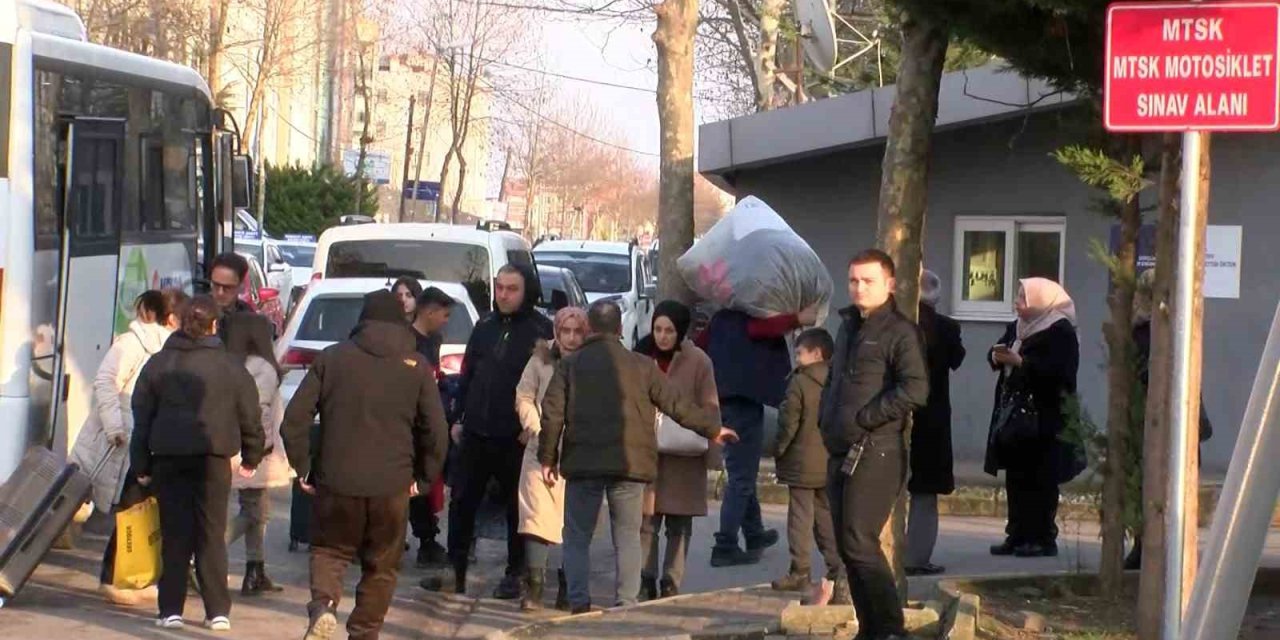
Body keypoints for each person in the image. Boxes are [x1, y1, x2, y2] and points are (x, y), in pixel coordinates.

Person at [539, 300, 738, 614]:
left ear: (589, 329)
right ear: (620, 330)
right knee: (628, 535)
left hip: (583, 464)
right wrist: (713, 429)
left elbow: (551, 415)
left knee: (577, 536)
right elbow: (676, 405)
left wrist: (547, 458)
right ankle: (626, 603)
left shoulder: (570, 365)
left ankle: (578, 602)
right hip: (630, 464)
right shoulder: (643, 366)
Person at [281, 289, 448, 640]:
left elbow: (294, 420)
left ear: (362, 320)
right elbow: (436, 430)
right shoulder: (416, 367)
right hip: (392, 486)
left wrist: (305, 467)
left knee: (330, 552)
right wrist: (424, 478)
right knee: (381, 566)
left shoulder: (332, 359)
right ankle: (364, 632)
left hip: (336, 480)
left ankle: (324, 607)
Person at [130, 295, 265, 631]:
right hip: (213, 459)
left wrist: (141, 464)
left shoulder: (159, 364)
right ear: (214, 326)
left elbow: (142, 417)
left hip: (167, 458)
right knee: (211, 532)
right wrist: (251, 456)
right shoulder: (231, 366)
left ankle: (170, 610)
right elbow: (250, 414)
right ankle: (217, 610)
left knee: (175, 534)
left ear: (179, 323)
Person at [819, 250, 928, 640]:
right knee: (847, 548)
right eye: (853, 281)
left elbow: (916, 389)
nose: (859, 288)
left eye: (868, 281)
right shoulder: (849, 326)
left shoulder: (900, 331)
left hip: (878, 449)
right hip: (838, 450)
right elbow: (834, 380)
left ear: (889, 284)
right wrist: (824, 418)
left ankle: (891, 630)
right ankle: (871, 629)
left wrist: (868, 417)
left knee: (861, 542)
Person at [71, 289, 186, 606]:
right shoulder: (131, 344)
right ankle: (115, 578)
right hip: (122, 442)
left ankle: (124, 577)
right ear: (171, 318)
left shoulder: (164, 347)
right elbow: (106, 382)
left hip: (141, 442)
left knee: (135, 510)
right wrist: (115, 428)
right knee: (129, 509)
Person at [448, 264, 552, 598]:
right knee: (462, 501)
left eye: (512, 289)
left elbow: (550, 387)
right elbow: (468, 374)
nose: (504, 295)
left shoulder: (541, 331)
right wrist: (458, 417)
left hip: (516, 436)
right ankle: (455, 569)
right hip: (476, 430)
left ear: (526, 292)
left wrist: (533, 425)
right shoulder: (485, 326)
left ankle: (515, 573)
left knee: (515, 508)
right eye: (500, 288)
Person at [697, 303, 818, 566]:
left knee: (743, 468)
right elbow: (763, 328)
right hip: (743, 402)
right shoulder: (747, 318)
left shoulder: (719, 318)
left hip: (723, 400)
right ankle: (725, 544)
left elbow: (700, 344)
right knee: (741, 476)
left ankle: (754, 533)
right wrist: (797, 317)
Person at [985, 277, 1083, 559]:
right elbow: (998, 350)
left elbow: (1062, 372)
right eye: (1018, 296)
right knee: (1016, 477)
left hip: (1045, 417)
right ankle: (1015, 535)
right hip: (1015, 415)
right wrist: (996, 356)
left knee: (1041, 478)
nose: (1017, 302)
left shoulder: (1059, 329)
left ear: (1043, 300)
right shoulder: (1018, 327)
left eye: (1024, 297)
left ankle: (1042, 537)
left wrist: (1023, 364)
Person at [1124, 269, 1212, 570]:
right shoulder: (1180, 328)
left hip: (1156, 421)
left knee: (1152, 483)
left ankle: (1151, 548)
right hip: (1179, 418)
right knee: (1172, 484)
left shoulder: (1148, 331)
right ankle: (1167, 548)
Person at [635, 301, 722, 601]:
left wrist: (713, 452)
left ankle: (671, 579)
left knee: (679, 523)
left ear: (680, 331)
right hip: (646, 451)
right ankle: (644, 578)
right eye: (657, 329)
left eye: (669, 330)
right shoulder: (640, 354)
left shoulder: (698, 361)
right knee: (646, 521)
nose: (662, 336)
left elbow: (710, 405)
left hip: (685, 455)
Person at [513, 306, 588, 611]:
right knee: (535, 517)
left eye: (577, 331)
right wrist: (535, 426)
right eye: (565, 330)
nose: (570, 338)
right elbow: (524, 396)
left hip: (579, 451)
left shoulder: (593, 361)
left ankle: (568, 586)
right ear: (556, 331)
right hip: (540, 447)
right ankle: (534, 587)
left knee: (574, 522)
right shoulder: (540, 359)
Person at [770, 328, 847, 606]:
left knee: (800, 518)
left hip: (801, 463)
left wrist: (777, 450)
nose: (796, 357)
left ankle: (799, 571)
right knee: (825, 516)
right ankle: (837, 566)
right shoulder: (838, 379)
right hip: (828, 460)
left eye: (800, 352)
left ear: (816, 354)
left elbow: (788, 423)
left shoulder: (800, 383)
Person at [223, 313, 292, 596]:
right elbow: (259, 411)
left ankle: (255, 570)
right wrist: (261, 448)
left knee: (256, 510)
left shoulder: (233, 362)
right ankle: (205, 551)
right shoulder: (262, 367)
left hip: (238, 444)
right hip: (255, 448)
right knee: (254, 512)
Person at [906, 270, 966, 577]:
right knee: (924, 494)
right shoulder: (946, 328)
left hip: (897, 413)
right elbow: (957, 359)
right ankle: (916, 557)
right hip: (932, 419)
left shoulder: (898, 323)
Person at [408, 287, 456, 568]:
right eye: (444, 315)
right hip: (409, 424)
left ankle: (428, 539)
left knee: (426, 483)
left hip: (430, 422)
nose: (446, 321)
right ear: (428, 311)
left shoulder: (434, 340)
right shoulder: (406, 341)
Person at [209, 253, 255, 339]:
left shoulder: (249, 318)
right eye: (216, 285)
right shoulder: (195, 312)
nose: (220, 292)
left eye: (227, 288)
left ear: (241, 286)